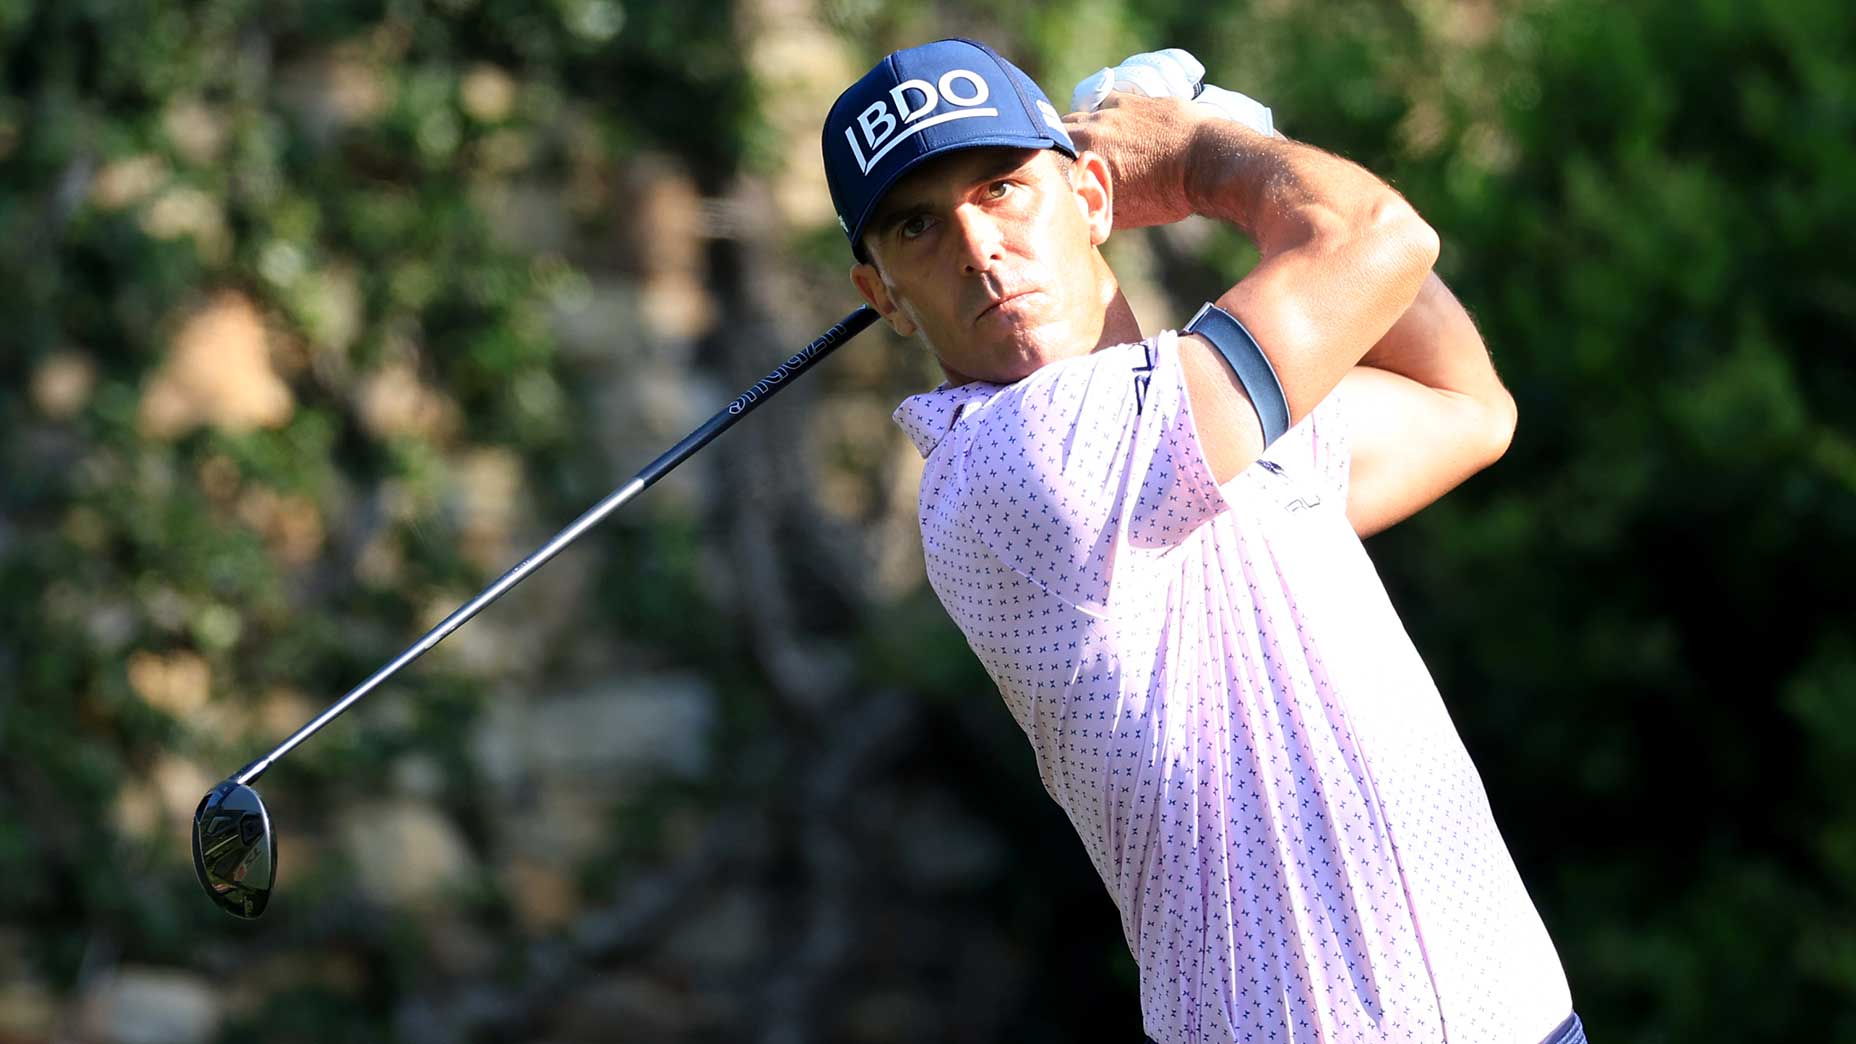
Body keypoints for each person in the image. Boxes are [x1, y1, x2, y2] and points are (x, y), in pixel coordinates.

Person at [821, 39, 1583, 1044]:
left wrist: (1252, 147)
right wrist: (1202, 156)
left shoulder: (1204, 426)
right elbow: (1376, 240)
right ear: (882, 298)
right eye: (918, 226)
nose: (976, 246)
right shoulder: (1019, 463)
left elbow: (1466, 406)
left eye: (1003, 188)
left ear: (1091, 196)